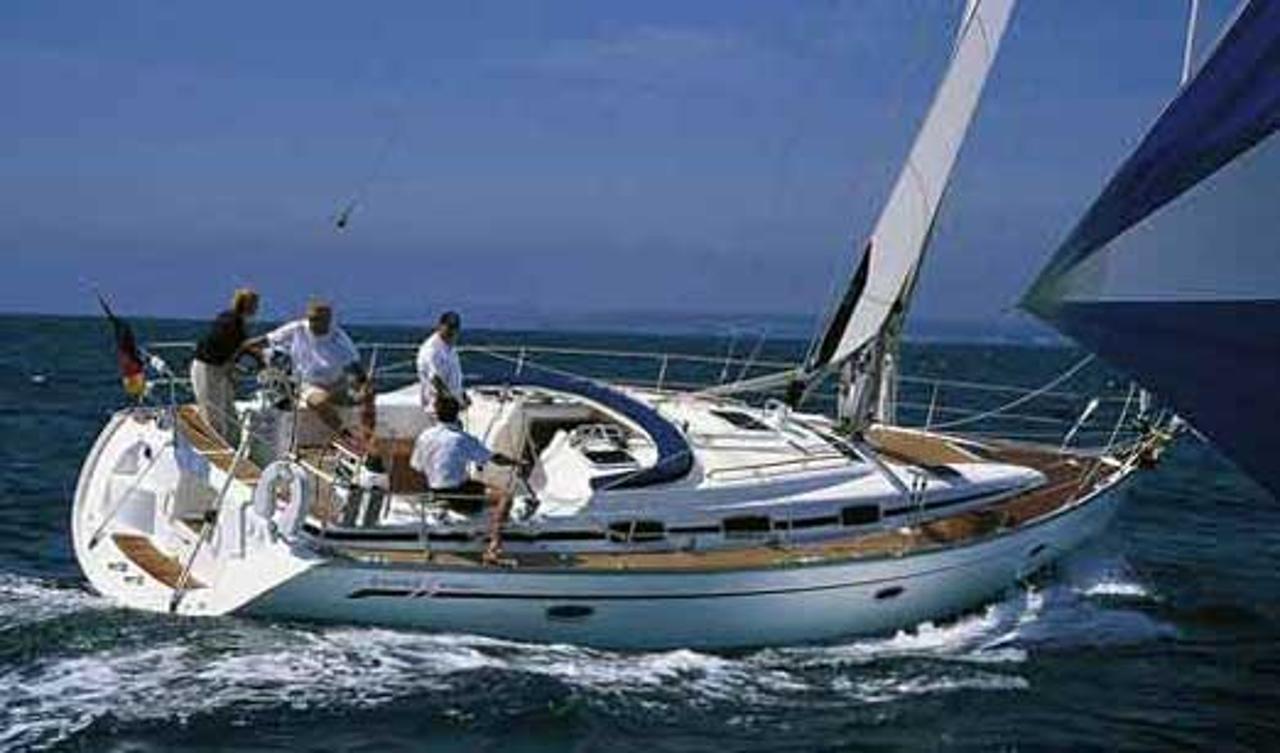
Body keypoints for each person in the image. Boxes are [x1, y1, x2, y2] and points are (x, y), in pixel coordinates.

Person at [410, 395, 523, 564]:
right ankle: (494, 546)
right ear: (457, 414)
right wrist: (515, 462)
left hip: (433, 492)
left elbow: (417, 466)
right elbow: (494, 458)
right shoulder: (461, 438)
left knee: (472, 483)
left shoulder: (424, 436)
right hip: (459, 495)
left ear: (436, 414)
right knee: (504, 497)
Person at [260, 299, 367, 435]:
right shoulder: (297, 329)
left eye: (317, 319)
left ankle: (364, 434)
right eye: (311, 319)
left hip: (337, 383)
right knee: (318, 402)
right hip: (308, 384)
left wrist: (364, 388)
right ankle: (345, 435)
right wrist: (244, 347)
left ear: (328, 320)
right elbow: (268, 339)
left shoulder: (339, 338)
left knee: (358, 401)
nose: (313, 323)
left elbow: (356, 366)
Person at [190, 288, 261, 441]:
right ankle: (216, 448)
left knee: (229, 414)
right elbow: (234, 346)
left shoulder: (232, 319)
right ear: (246, 304)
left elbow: (235, 347)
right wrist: (258, 359)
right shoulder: (231, 322)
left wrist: (231, 367)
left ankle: (231, 446)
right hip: (207, 368)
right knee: (213, 415)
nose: (257, 308)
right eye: (255, 304)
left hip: (219, 368)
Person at [416, 310, 465, 422]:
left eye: (455, 327)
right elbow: (435, 379)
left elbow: (453, 377)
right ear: (440, 326)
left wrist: (461, 395)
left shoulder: (450, 347)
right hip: (438, 409)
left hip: (451, 410)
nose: (452, 331)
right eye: (449, 327)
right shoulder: (432, 349)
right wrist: (452, 402)